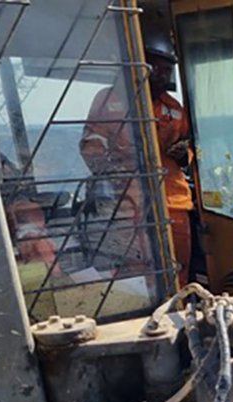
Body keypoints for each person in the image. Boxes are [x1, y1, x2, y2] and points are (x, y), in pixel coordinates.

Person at [79, 36, 193, 285]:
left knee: (179, 266)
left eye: (167, 68)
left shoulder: (173, 107)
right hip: (130, 203)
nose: (163, 73)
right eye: (157, 66)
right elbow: (92, 145)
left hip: (174, 201)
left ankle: (182, 311)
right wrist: (112, 170)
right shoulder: (109, 101)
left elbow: (190, 146)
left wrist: (185, 155)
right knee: (139, 271)